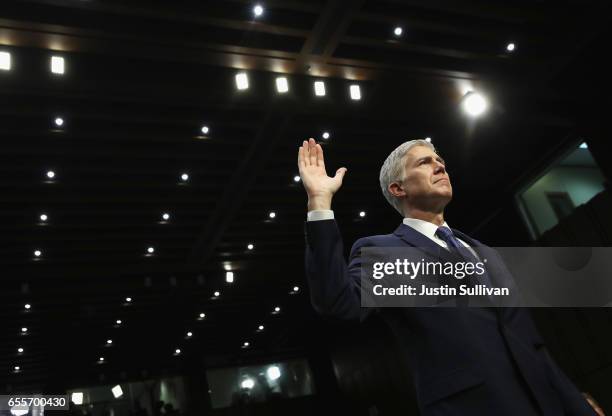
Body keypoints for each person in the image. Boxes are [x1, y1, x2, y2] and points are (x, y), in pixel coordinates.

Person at [298, 138, 602, 415]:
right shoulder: (385, 251)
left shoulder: (485, 252)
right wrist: (320, 203)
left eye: (439, 160)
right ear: (398, 189)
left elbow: (532, 346)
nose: (439, 165)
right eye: (423, 162)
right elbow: (339, 304)